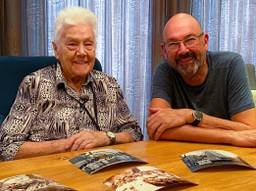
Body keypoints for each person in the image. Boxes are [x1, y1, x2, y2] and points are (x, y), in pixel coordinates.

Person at [0, 7, 142, 161]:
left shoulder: (109, 85)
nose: (82, 52)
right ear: (56, 49)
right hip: (51, 174)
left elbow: (134, 133)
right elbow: (6, 147)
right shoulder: (34, 84)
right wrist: (66, 145)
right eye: (72, 44)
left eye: (88, 44)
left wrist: (106, 137)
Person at [147, 13, 256, 147]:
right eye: (173, 44)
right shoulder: (164, 71)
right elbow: (156, 128)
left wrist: (190, 116)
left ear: (205, 41)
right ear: (164, 51)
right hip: (180, 158)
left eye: (190, 40)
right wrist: (229, 136)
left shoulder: (231, 64)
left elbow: (251, 130)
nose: (183, 50)